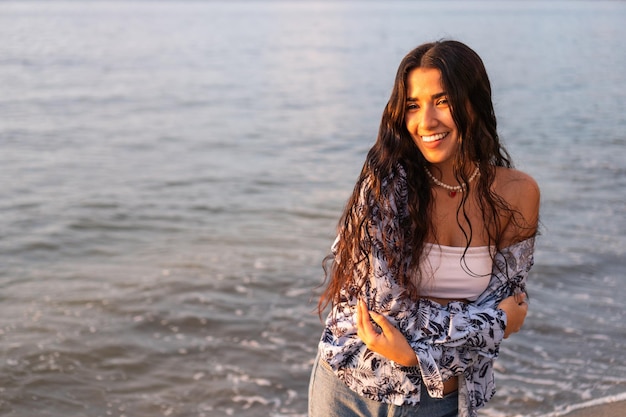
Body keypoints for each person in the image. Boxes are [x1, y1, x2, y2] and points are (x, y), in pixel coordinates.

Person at [308, 40, 540, 417]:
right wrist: (495, 322)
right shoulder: (384, 186)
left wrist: (414, 349)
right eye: (413, 105)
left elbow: (510, 299)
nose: (426, 121)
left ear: (474, 103)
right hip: (352, 390)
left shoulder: (517, 194)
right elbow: (385, 317)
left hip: (446, 399)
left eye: (443, 101)